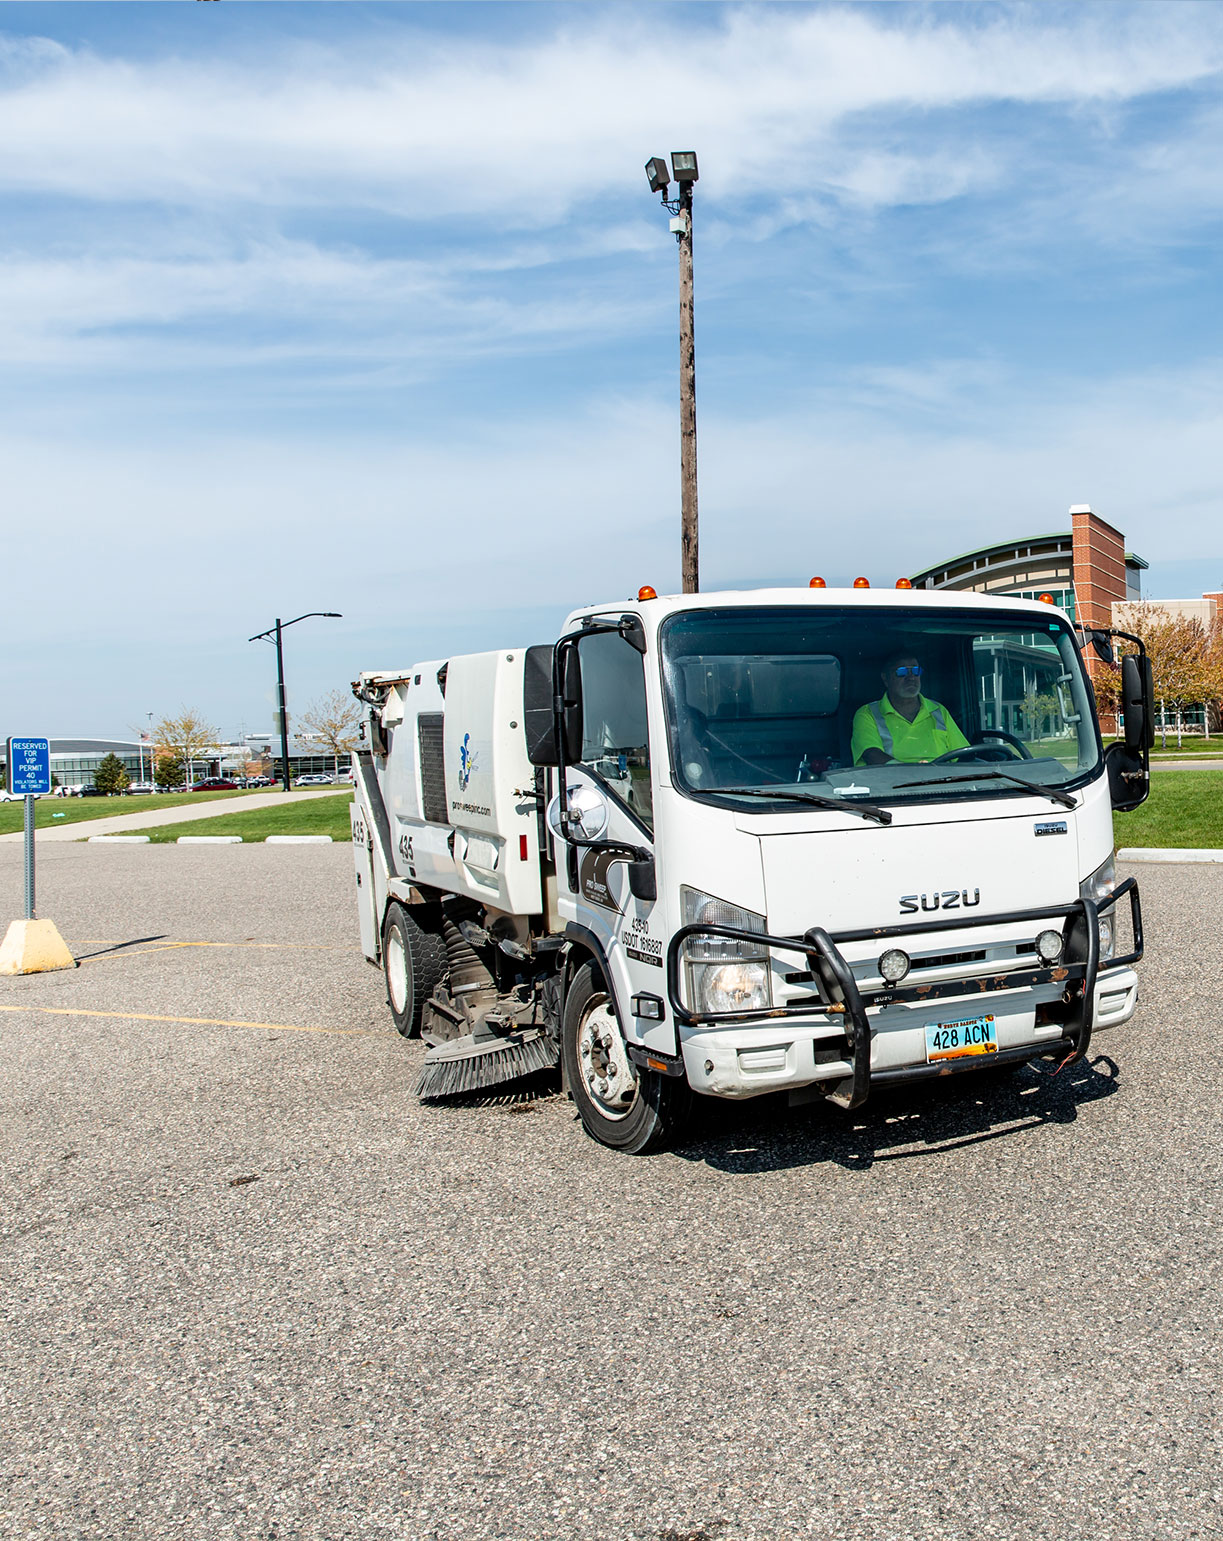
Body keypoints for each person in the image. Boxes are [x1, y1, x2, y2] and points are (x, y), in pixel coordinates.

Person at [851, 653, 970, 766]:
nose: (911, 677)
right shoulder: (868, 713)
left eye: (916, 671)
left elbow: (962, 753)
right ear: (885, 678)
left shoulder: (938, 710)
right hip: (890, 783)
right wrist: (912, 771)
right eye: (902, 672)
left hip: (941, 783)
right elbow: (871, 754)